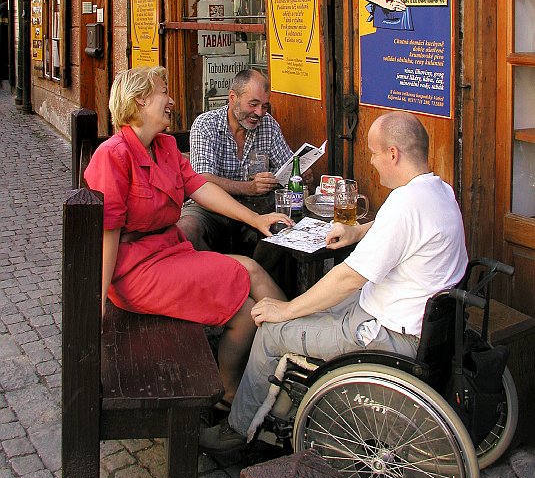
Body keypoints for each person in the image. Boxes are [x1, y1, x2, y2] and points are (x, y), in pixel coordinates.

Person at [200, 110, 468, 453]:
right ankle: (280, 403)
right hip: (407, 318)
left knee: (272, 330)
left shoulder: (406, 204)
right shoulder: (437, 190)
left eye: (373, 152)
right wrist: (358, 230)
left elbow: (347, 278)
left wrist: (286, 309)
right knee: (308, 310)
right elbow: (401, 230)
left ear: (393, 154)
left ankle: (237, 430)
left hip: (391, 335)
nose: (371, 162)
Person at [84, 66, 291, 409]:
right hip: (135, 270)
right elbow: (107, 235)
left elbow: (201, 188)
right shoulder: (114, 154)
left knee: (246, 311)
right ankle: (293, 349)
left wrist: (257, 219)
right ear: (140, 100)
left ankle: (231, 390)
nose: (172, 100)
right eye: (164, 92)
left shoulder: (163, 146)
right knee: (250, 272)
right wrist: (97, 303)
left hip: (168, 253)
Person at [180, 69, 312, 252]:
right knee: (186, 230)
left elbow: (287, 165)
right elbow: (202, 179)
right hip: (210, 207)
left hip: (258, 206)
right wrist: (249, 188)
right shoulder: (206, 124)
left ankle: (257, 278)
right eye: (253, 104)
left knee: (284, 227)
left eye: (264, 106)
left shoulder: (268, 125)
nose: (259, 112)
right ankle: (215, 277)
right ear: (233, 97)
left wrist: (299, 172)